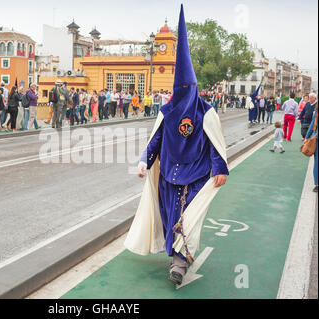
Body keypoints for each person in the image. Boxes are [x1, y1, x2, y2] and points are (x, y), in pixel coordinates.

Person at [125, 5, 229, 286]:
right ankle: (175, 256)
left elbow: (216, 144)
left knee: (188, 219)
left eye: (188, 88)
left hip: (195, 175)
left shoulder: (206, 112)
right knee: (171, 216)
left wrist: (221, 168)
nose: (184, 94)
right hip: (169, 177)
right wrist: (144, 161)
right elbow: (156, 140)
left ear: (194, 86)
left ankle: (180, 263)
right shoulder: (167, 111)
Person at [304, 102, 318, 192]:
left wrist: (306, 137)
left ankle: (317, 184)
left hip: (316, 139)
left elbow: (312, 126)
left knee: (317, 161)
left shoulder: (317, 113)